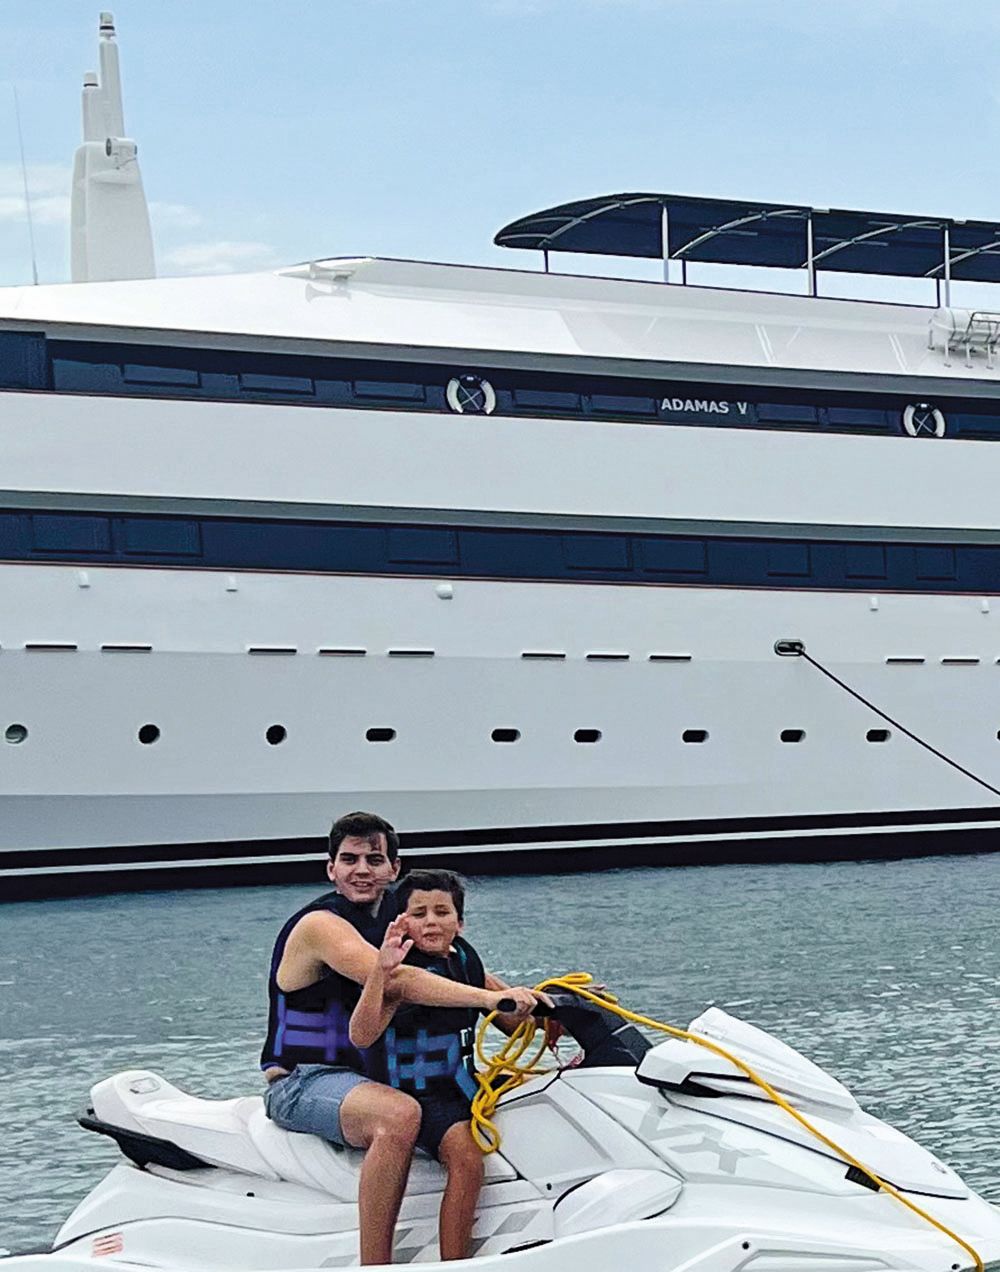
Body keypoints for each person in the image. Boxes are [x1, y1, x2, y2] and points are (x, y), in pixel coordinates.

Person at [260, 812, 540, 1267]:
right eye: (349, 859)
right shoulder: (320, 925)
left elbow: (471, 975)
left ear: (394, 868)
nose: (362, 869)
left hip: (371, 1077)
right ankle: (377, 1266)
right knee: (399, 1114)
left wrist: (549, 1005)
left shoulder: (402, 921)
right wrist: (492, 1001)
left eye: (375, 859)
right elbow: (402, 982)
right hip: (304, 1080)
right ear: (331, 869)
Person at [350, 870, 505, 1261]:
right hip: (418, 1096)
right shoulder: (401, 974)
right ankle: (454, 1263)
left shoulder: (465, 959)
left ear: (460, 922)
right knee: (467, 1158)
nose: (432, 921)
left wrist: (558, 1003)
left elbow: (511, 1014)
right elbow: (361, 1034)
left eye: (442, 912)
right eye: (418, 914)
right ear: (401, 923)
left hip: (463, 1086)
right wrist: (379, 972)